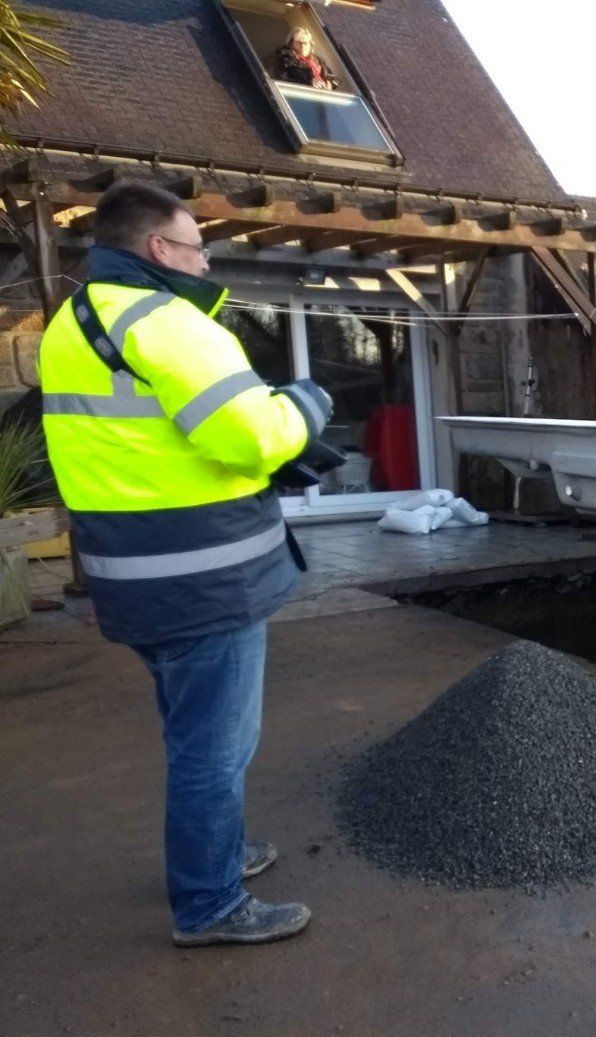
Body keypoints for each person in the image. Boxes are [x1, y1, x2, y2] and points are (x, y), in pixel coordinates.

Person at [38, 181, 332, 946]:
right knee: (215, 749)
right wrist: (306, 405)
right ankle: (209, 905)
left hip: (132, 576)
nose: (205, 256)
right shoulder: (167, 321)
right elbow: (250, 438)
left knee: (195, 734)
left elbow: (151, 438)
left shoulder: (72, 322)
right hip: (205, 579)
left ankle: (222, 852)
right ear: (158, 249)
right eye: (196, 242)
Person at [274, 27, 339, 90]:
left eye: (305, 43)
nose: (302, 46)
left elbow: (332, 78)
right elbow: (282, 82)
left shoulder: (318, 61)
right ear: (291, 44)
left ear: (310, 44)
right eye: (299, 43)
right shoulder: (285, 60)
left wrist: (330, 84)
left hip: (323, 96)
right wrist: (309, 83)